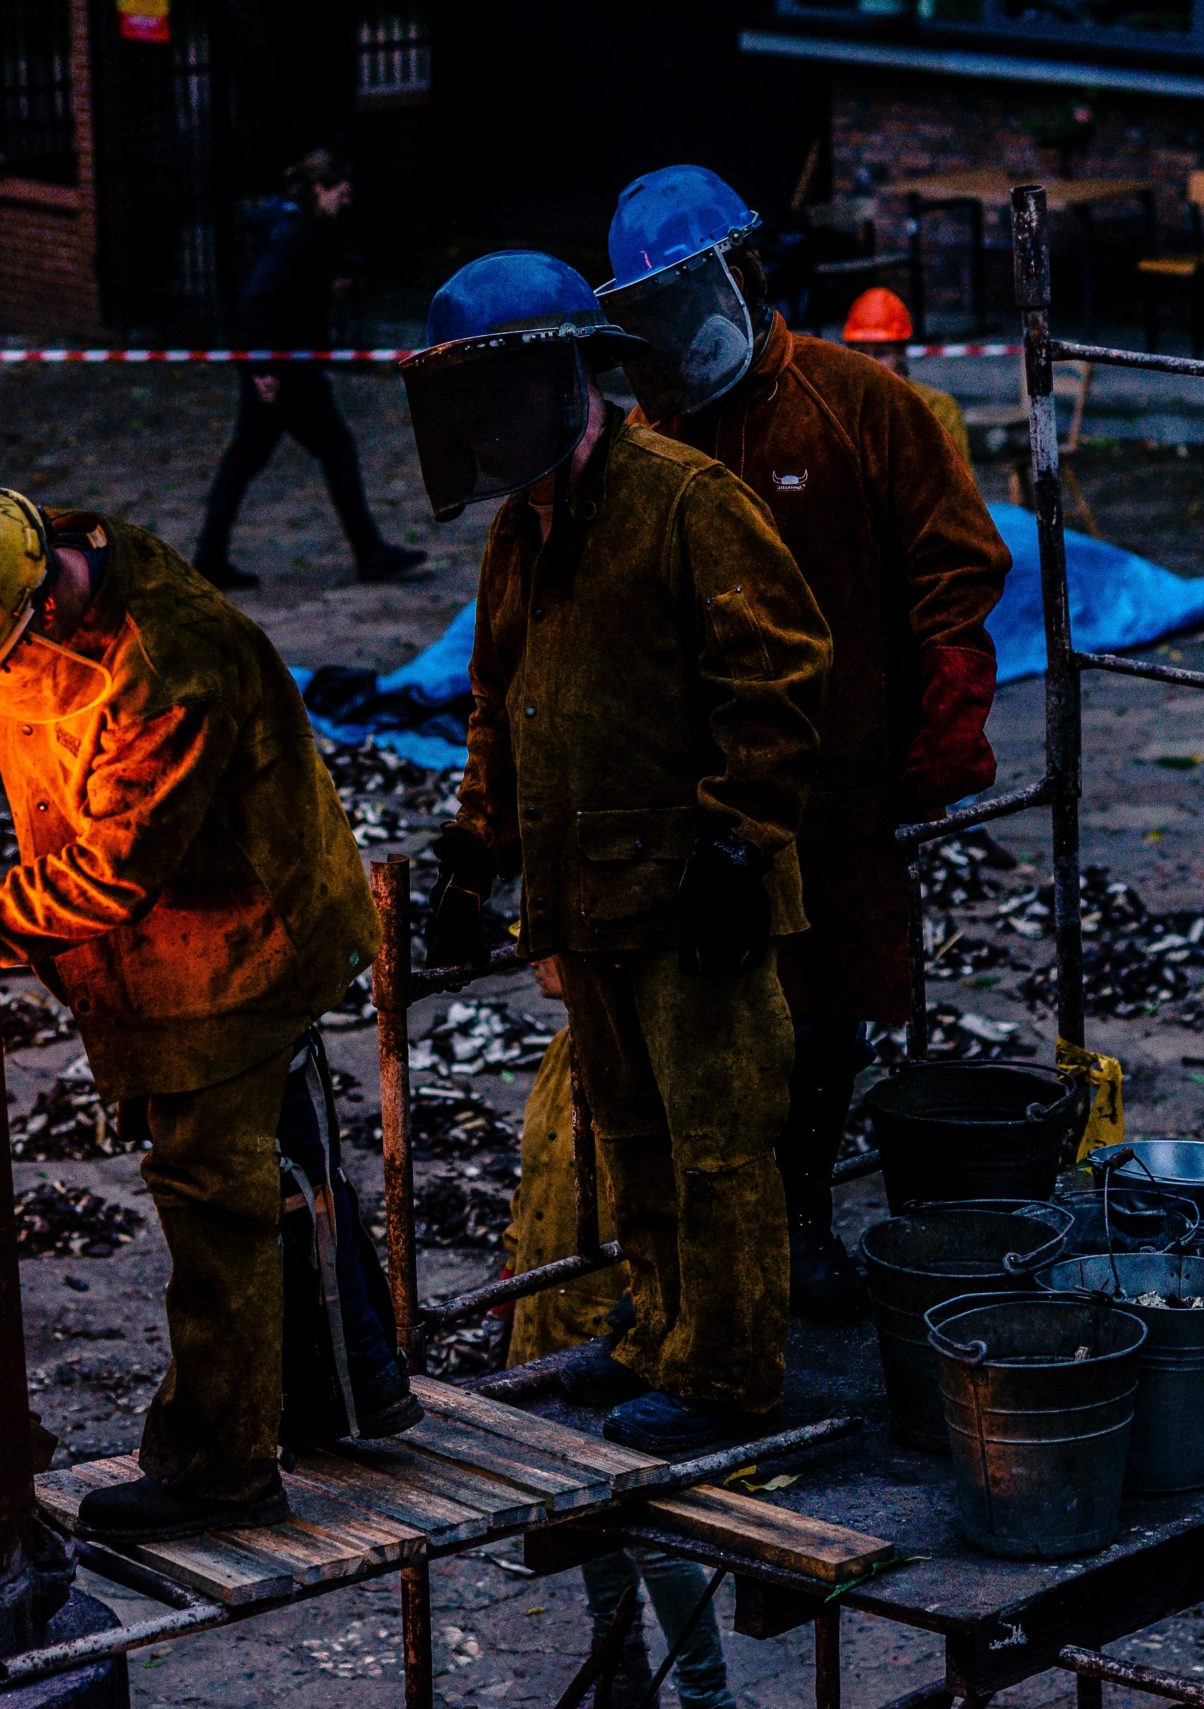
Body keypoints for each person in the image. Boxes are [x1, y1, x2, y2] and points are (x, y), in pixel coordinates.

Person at [0, 484, 415, 1543]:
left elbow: (105, 878)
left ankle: (221, 1469)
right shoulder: (27, 562)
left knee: (215, 1192)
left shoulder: (170, 665)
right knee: (282, 1164)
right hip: (183, 944)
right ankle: (348, 1387)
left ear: (42, 609)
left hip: (237, 949)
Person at [402, 249, 831, 1452]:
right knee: (631, 1137)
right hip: (587, 893)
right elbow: (501, 702)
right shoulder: (517, 529)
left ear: (564, 379)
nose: (484, 425)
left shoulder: (687, 500)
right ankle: (658, 1333)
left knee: (717, 1145)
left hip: (696, 897)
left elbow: (780, 671)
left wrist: (740, 838)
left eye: (497, 396)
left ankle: (727, 1374)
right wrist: (472, 851)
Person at [595, 165, 1010, 1320]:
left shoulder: (856, 403)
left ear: (744, 274)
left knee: (828, 1009)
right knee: (708, 1018)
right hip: (701, 788)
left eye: (689, 302)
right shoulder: (650, 437)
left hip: (840, 780)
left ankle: (804, 1214)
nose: (678, 335)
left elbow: (954, 562)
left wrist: (948, 706)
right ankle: (693, 1250)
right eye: (653, 317)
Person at [503, 961, 739, 1709]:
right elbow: (535, 1181)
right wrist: (511, 1274)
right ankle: (620, 1661)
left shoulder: (647, 1057)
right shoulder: (567, 1048)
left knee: (646, 1526)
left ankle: (705, 1693)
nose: (529, 952)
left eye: (547, 942)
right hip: (550, 1310)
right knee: (582, 1509)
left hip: (616, 1317)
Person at [191, 147, 429, 592]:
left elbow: (286, 293)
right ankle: (368, 552)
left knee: (249, 459)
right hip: (285, 370)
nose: (346, 201)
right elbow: (260, 301)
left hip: (283, 365)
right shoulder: (294, 234)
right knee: (330, 448)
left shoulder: (297, 228)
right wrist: (263, 367)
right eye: (341, 192)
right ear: (320, 188)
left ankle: (210, 555)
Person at [838, 285, 970, 463]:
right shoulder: (837, 411)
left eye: (881, 353)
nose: (870, 362)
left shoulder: (937, 408)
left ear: (900, 354)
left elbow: (958, 476)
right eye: (861, 352)